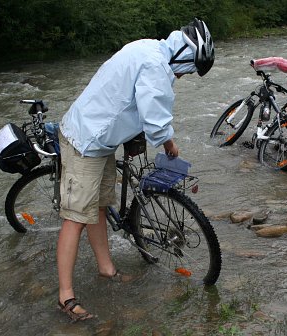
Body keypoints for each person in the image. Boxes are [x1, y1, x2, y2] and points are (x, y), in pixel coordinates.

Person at [56, 18, 215, 322]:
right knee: (75, 218)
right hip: (85, 140)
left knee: (100, 206)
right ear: (185, 55)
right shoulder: (157, 67)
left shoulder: (149, 46)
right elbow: (156, 120)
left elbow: (127, 96)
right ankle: (65, 296)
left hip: (101, 137)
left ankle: (106, 268)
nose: (185, 76)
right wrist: (168, 145)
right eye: (190, 69)